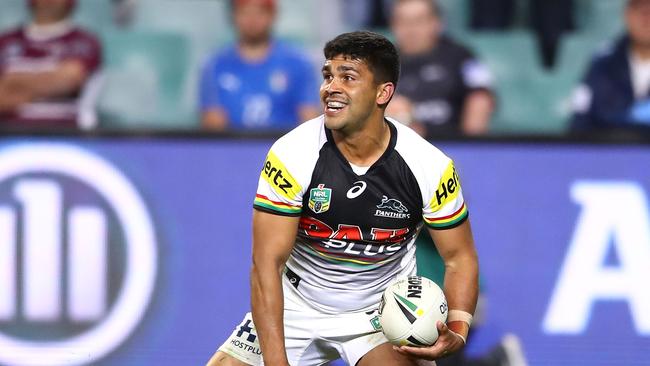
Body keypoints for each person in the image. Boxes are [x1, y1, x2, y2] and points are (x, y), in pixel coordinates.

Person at [206, 31, 479, 365]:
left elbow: (459, 257)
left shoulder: (430, 167)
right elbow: (265, 266)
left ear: (383, 93)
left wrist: (458, 329)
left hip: (380, 314)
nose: (330, 87)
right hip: (294, 304)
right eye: (327, 76)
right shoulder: (291, 155)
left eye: (347, 77)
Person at [199, 0, 320, 132]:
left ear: (273, 15)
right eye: (245, 12)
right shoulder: (215, 65)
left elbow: (310, 122)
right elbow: (213, 130)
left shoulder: (299, 63)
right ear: (233, 16)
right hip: (233, 149)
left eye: (259, 12)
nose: (252, 20)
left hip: (286, 149)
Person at [389, 0, 494, 138]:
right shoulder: (382, 62)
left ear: (436, 23)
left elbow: (481, 95)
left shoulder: (460, 56)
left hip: (452, 143)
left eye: (419, 21)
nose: (411, 29)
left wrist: (472, 145)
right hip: (401, 146)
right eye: (403, 22)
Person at [0, 0, 102, 128]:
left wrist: (11, 82)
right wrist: (47, 83)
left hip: (66, 135)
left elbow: (68, 81)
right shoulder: (5, 42)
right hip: (8, 135)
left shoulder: (84, 41)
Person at [571, 0, 650, 133]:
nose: (646, 18)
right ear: (627, 15)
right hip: (610, 151)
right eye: (639, 10)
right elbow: (580, 120)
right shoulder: (602, 63)